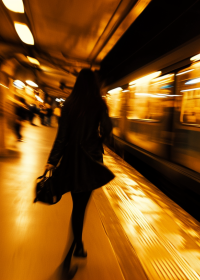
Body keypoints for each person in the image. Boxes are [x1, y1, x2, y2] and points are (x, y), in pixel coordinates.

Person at [44, 69, 113, 276]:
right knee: (81, 209)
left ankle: (80, 246)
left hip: (72, 162)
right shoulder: (99, 104)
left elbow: (61, 136)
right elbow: (107, 131)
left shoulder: (69, 105)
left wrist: (52, 161)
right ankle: (66, 263)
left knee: (77, 208)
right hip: (90, 163)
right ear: (93, 84)